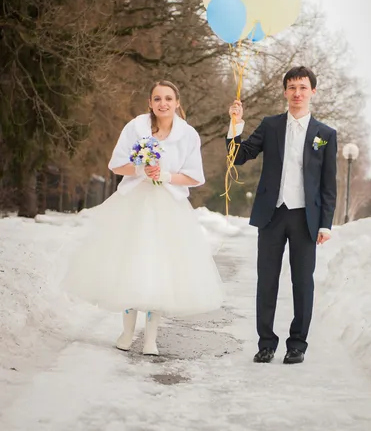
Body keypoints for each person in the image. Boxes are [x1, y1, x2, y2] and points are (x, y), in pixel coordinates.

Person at [64, 80, 223, 356]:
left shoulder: (188, 135)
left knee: (159, 267)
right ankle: (127, 331)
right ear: (150, 103)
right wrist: (140, 169)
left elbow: (196, 176)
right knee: (130, 262)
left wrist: (166, 175)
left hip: (168, 206)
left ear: (177, 102)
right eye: (157, 99)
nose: (163, 103)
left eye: (168, 99)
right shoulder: (135, 127)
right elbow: (116, 164)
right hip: (134, 203)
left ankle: (151, 338)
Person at [227, 66, 337, 364]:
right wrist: (235, 125)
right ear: (285, 92)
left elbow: (329, 184)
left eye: (302, 87)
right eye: (291, 87)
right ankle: (266, 342)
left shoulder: (326, 135)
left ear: (312, 91)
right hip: (272, 215)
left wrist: (325, 224)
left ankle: (297, 343)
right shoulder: (271, 125)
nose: (297, 93)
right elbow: (239, 155)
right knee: (267, 281)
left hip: (306, 219)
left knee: (303, 282)